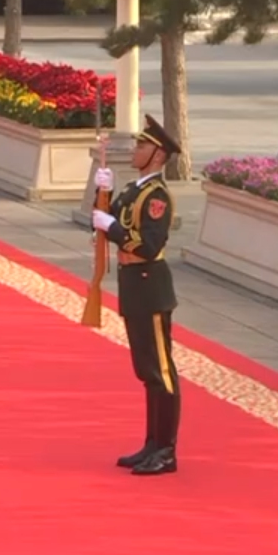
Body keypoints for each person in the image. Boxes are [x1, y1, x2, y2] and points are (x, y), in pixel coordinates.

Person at [92, 114, 181, 477]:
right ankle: (151, 442)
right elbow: (107, 218)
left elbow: (148, 244)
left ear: (158, 155)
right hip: (133, 283)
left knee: (161, 371)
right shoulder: (134, 189)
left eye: (142, 145)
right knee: (146, 370)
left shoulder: (157, 196)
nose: (136, 149)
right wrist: (105, 193)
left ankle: (166, 450)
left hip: (149, 282)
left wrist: (111, 227)